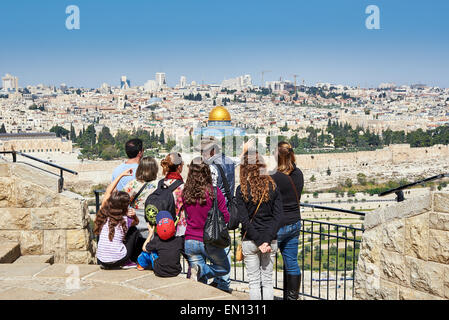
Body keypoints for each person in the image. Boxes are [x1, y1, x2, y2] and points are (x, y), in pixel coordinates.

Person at [198, 136, 254, 292]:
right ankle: (221, 281)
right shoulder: (228, 160)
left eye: (204, 151)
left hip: (215, 211)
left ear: (213, 151)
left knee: (216, 245)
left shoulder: (211, 167)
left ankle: (221, 281)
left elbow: (210, 191)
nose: (202, 154)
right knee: (223, 243)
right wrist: (244, 149)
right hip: (228, 209)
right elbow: (241, 160)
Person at [236, 150, 283, 300]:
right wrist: (266, 241)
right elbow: (278, 217)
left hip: (250, 240)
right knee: (268, 282)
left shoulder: (241, 190)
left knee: (254, 282)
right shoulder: (273, 187)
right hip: (270, 241)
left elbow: (243, 220)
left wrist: (258, 240)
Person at [182, 157, 231, 285]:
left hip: (190, 240)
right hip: (209, 240)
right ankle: (202, 270)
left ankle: (200, 272)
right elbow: (225, 217)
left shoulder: (185, 192)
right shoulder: (214, 192)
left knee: (199, 282)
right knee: (224, 268)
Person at [271, 141, 304, 300]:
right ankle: (292, 298)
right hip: (295, 221)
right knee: (292, 262)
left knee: (266, 264)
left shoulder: (274, 177)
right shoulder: (298, 174)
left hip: (278, 224)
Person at [94, 168, 141, 269]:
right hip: (118, 260)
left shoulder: (104, 213)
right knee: (134, 231)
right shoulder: (125, 219)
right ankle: (128, 261)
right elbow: (136, 222)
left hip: (102, 260)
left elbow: (107, 192)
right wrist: (134, 216)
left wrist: (121, 175)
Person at [136, 211, 185, 277]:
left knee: (147, 252)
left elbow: (144, 248)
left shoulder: (157, 240)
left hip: (160, 271)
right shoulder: (179, 240)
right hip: (176, 271)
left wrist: (150, 233)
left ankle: (141, 265)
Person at [123, 156, 158, 238]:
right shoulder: (158, 184)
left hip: (135, 224)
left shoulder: (132, 184)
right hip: (151, 225)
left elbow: (120, 201)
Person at [160, 152, 186, 237]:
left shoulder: (160, 183)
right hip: (179, 227)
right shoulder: (182, 187)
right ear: (179, 167)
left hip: (163, 225)